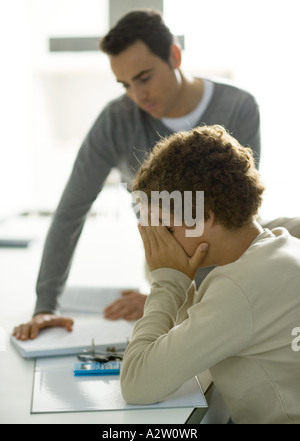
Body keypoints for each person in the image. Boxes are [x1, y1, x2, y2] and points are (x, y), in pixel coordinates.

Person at [13, 9, 261, 341]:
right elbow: (71, 211)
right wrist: (46, 306)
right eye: (125, 84)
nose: (137, 95)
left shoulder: (238, 107)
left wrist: (171, 300)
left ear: (174, 55)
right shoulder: (117, 120)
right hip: (165, 273)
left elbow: (240, 217)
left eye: (144, 78)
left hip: (230, 274)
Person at [121, 125, 300, 424]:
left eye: (166, 226)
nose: (158, 241)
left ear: (204, 217)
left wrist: (167, 282)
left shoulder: (239, 286)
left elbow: (137, 383)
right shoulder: (279, 245)